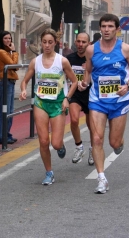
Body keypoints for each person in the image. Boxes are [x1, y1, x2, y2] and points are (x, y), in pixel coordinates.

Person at [78, 14, 129, 193]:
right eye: (103, 26)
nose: (106, 29)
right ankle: (102, 178)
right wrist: (84, 83)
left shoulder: (126, 49)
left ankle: (119, 142)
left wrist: (127, 86)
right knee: (96, 138)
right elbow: (88, 71)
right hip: (97, 100)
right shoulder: (91, 50)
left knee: (114, 143)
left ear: (117, 29)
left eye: (110, 26)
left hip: (119, 101)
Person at [19, 28, 77, 185]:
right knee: (44, 141)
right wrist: (24, 90)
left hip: (58, 104)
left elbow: (74, 81)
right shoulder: (35, 61)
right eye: (44, 42)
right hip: (41, 103)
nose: (47, 45)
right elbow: (24, 80)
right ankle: (49, 173)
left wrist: (67, 98)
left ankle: (60, 145)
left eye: (50, 42)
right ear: (41, 43)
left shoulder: (62, 61)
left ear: (55, 43)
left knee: (55, 143)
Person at [66, 32, 94, 165]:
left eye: (84, 42)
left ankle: (93, 149)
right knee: (74, 119)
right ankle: (79, 147)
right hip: (75, 94)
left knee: (91, 125)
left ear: (89, 44)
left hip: (90, 94)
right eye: (78, 41)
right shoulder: (69, 58)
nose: (80, 44)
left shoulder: (92, 58)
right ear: (75, 42)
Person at [0, 31, 19, 145]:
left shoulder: (7, 52)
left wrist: (12, 52)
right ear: (1, 40)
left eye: (9, 38)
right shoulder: (1, 52)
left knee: (9, 110)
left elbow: (15, 67)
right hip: (4, 81)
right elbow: (13, 65)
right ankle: (1, 136)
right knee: (4, 110)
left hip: (10, 81)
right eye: (5, 38)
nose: (8, 40)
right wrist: (14, 51)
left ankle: (6, 134)